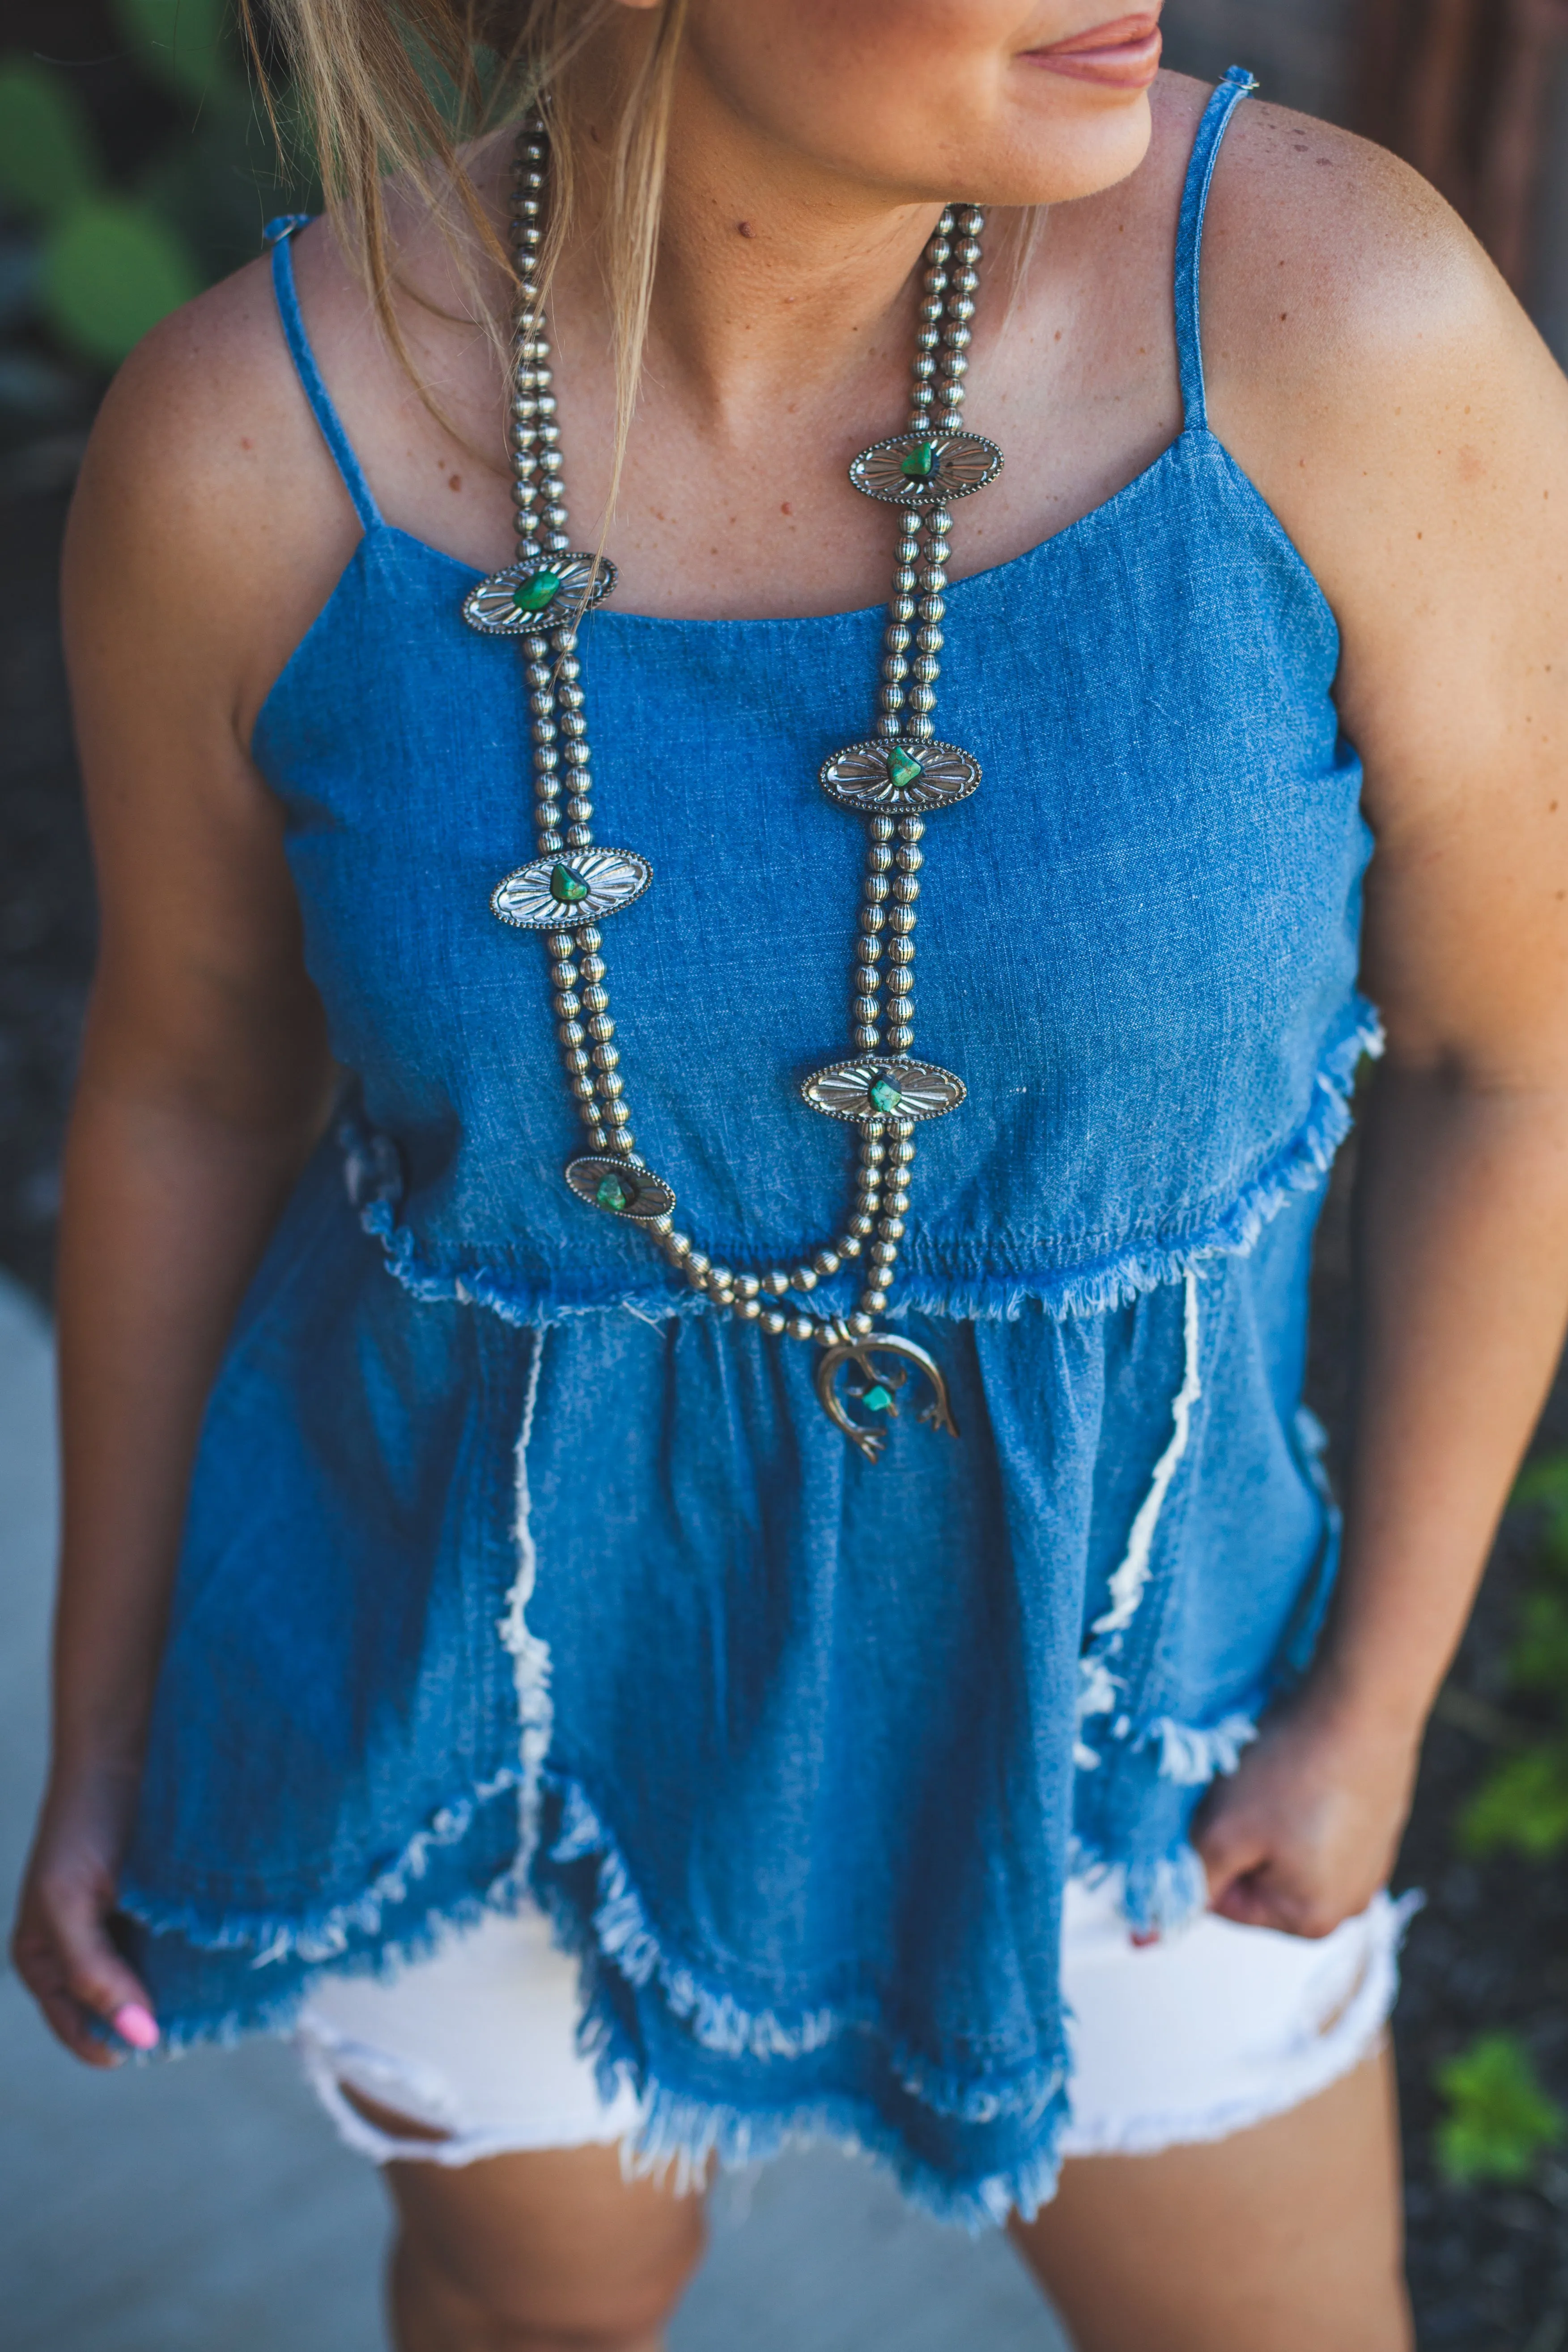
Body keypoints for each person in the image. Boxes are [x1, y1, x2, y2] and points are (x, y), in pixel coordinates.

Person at [13, 4, 1568, 2347]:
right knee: (531, 2295)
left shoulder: (1338, 323)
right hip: (467, 1688)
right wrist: (106, 1718)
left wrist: (1373, 1704)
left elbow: (1515, 1054)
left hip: (1134, 1708)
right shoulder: (252, 443)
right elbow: (189, 1086)